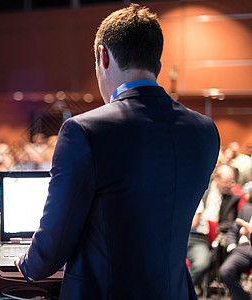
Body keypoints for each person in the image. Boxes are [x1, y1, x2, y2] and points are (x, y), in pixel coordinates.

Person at [15, 4, 220, 299]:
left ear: (103, 56)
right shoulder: (205, 131)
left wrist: (25, 264)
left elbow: (54, 243)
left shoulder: (84, 131)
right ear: (157, 65)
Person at [186, 164, 239, 288]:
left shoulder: (232, 199)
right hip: (183, 233)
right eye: (226, 182)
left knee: (202, 263)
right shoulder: (202, 189)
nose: (229, 185)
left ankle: (181, 291)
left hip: (201, 237)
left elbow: (229, 222)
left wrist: (215, 227)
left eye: (231, 182)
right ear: (216, 179)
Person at [219, 202, 252, 300]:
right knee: (225, 271)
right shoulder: (246, 209)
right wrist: (232, 247)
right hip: (242, 249)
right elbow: (233, 231)